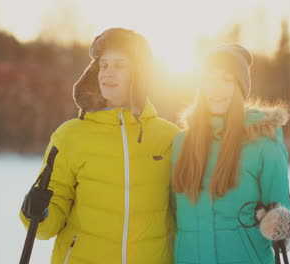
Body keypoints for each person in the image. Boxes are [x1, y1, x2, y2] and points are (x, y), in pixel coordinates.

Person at [20, 28, 179, 264]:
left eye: (119, 65)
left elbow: (188, 212)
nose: (108, 73)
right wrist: (37, 211)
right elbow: (45, 226)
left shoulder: (169, 137)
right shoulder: (70, 135)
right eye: (103, 65)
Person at [171, 44, 290, 264]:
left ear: (240, 87)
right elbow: (173, 217)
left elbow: (285, 227)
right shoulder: (182, 143)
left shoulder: (263, 143)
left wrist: (281, 227)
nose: (217, 88)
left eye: (227, 80)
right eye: (210, 79)